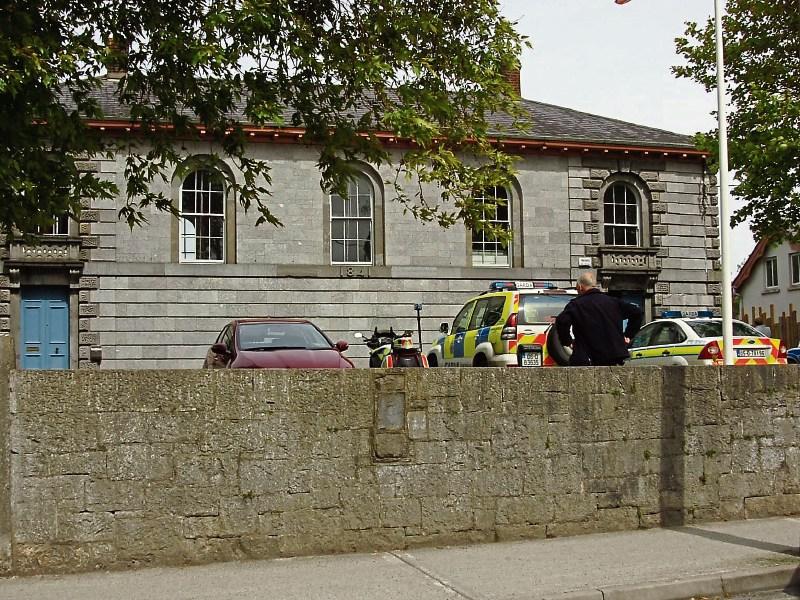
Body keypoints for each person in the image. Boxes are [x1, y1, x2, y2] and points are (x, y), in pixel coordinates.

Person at [555, 272, 643, 366]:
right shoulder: (613, 302)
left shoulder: (576, 305)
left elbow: (562, 321)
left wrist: (567, 341)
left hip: (587, 357)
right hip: (613, 356)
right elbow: (637, 312)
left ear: (580, 287)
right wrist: (628, 334)